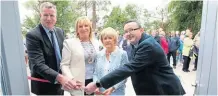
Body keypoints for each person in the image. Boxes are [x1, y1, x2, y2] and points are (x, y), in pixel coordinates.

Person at [85, 20, 186, 95]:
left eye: (131, 30)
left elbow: (130, 68)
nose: (128, 34)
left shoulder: (147, 45)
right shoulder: (136, 44)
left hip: (164, 91)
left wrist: (98, 84)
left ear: (141, 30)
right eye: (126, 31)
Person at [26, 2, 79, 95]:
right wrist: (61, 78)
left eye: (52, 15)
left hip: (60, 85)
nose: (49, 18)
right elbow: (38, 64)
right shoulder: (33, 35)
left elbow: (64, 55)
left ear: (56, 17)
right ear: (40, 15)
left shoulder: (59, 31)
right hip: (44, 86)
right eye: (45, 15)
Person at [60, 16, 99, 95]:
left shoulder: (96, 42)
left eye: (86, 25)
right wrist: (71, 79)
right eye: (80, 26)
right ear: (77, 30)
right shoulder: (69, 43)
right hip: (77, 83)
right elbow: (64, 65)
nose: (83, 28)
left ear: (90, 28)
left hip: (94, 82)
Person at [93, 27, 128, 95]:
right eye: (105, 38)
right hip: (100, 92)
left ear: (114, 40)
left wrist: (112, 88)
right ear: (102, 41)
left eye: (110, 38)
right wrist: (96, 86)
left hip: (116, 92)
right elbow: (95, 73)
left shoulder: (122, 54)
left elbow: (124, 75)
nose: (107, 40)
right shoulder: (99, 55)